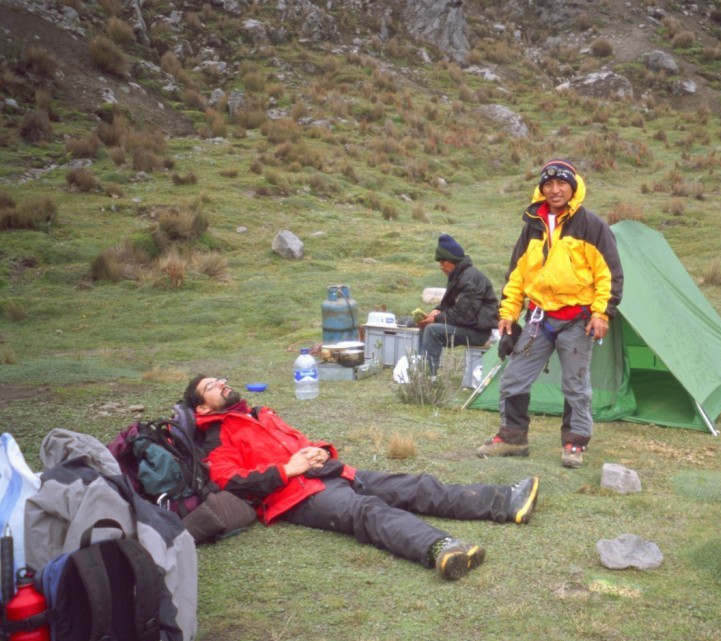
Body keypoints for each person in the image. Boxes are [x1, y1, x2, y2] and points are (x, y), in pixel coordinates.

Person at [183, 375, 539, 580]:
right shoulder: (216, 436)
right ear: (201, 407)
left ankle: (505, 502)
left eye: (222, 380)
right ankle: (442, 549)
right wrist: (288, 469)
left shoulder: (260, 414)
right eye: (213, 386)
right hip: (296, 497)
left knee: (414, 486)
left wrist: (320, 451)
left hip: (330, 473)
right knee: (367, 512)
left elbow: (299, 443)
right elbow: (229, 481)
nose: (223, 384)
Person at [477, 159, 623, 469]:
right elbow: (517, 274)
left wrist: (602, 313)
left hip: (577, 321)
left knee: (575, 384)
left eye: (561, 184)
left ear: (573, 187)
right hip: (538, 319)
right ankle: (513, 438)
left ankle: (574, 443)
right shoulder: (533, 224)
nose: (554, 190)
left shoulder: (591, 225)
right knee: (514, 377)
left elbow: (608, 274)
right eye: (548, 184)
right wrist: (508, 312)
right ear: (541, 189)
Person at [418, 234, 499, 375]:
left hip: (478, 332)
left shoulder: (470, 279)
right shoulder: (458, 276)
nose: (441, 267)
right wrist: (436, 311)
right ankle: (421, 370)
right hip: (467, 327)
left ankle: (428, 379)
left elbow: (464, 315)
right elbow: (448, 304)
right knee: (425, 327)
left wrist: (437, 319)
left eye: (443, 262)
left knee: (432, 330)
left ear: (452, 260)